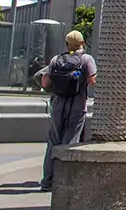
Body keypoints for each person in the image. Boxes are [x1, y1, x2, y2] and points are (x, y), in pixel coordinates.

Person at [39, 30, 96, 192]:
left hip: (57, 105)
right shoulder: (86, 59)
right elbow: (92, 80)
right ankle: (64, 180)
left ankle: (47, 181)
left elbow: (45, 82)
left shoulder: (56, 59)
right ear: (82, 43)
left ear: (66, 44)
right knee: (70, 142)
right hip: (77, 106)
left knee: (53, 142)